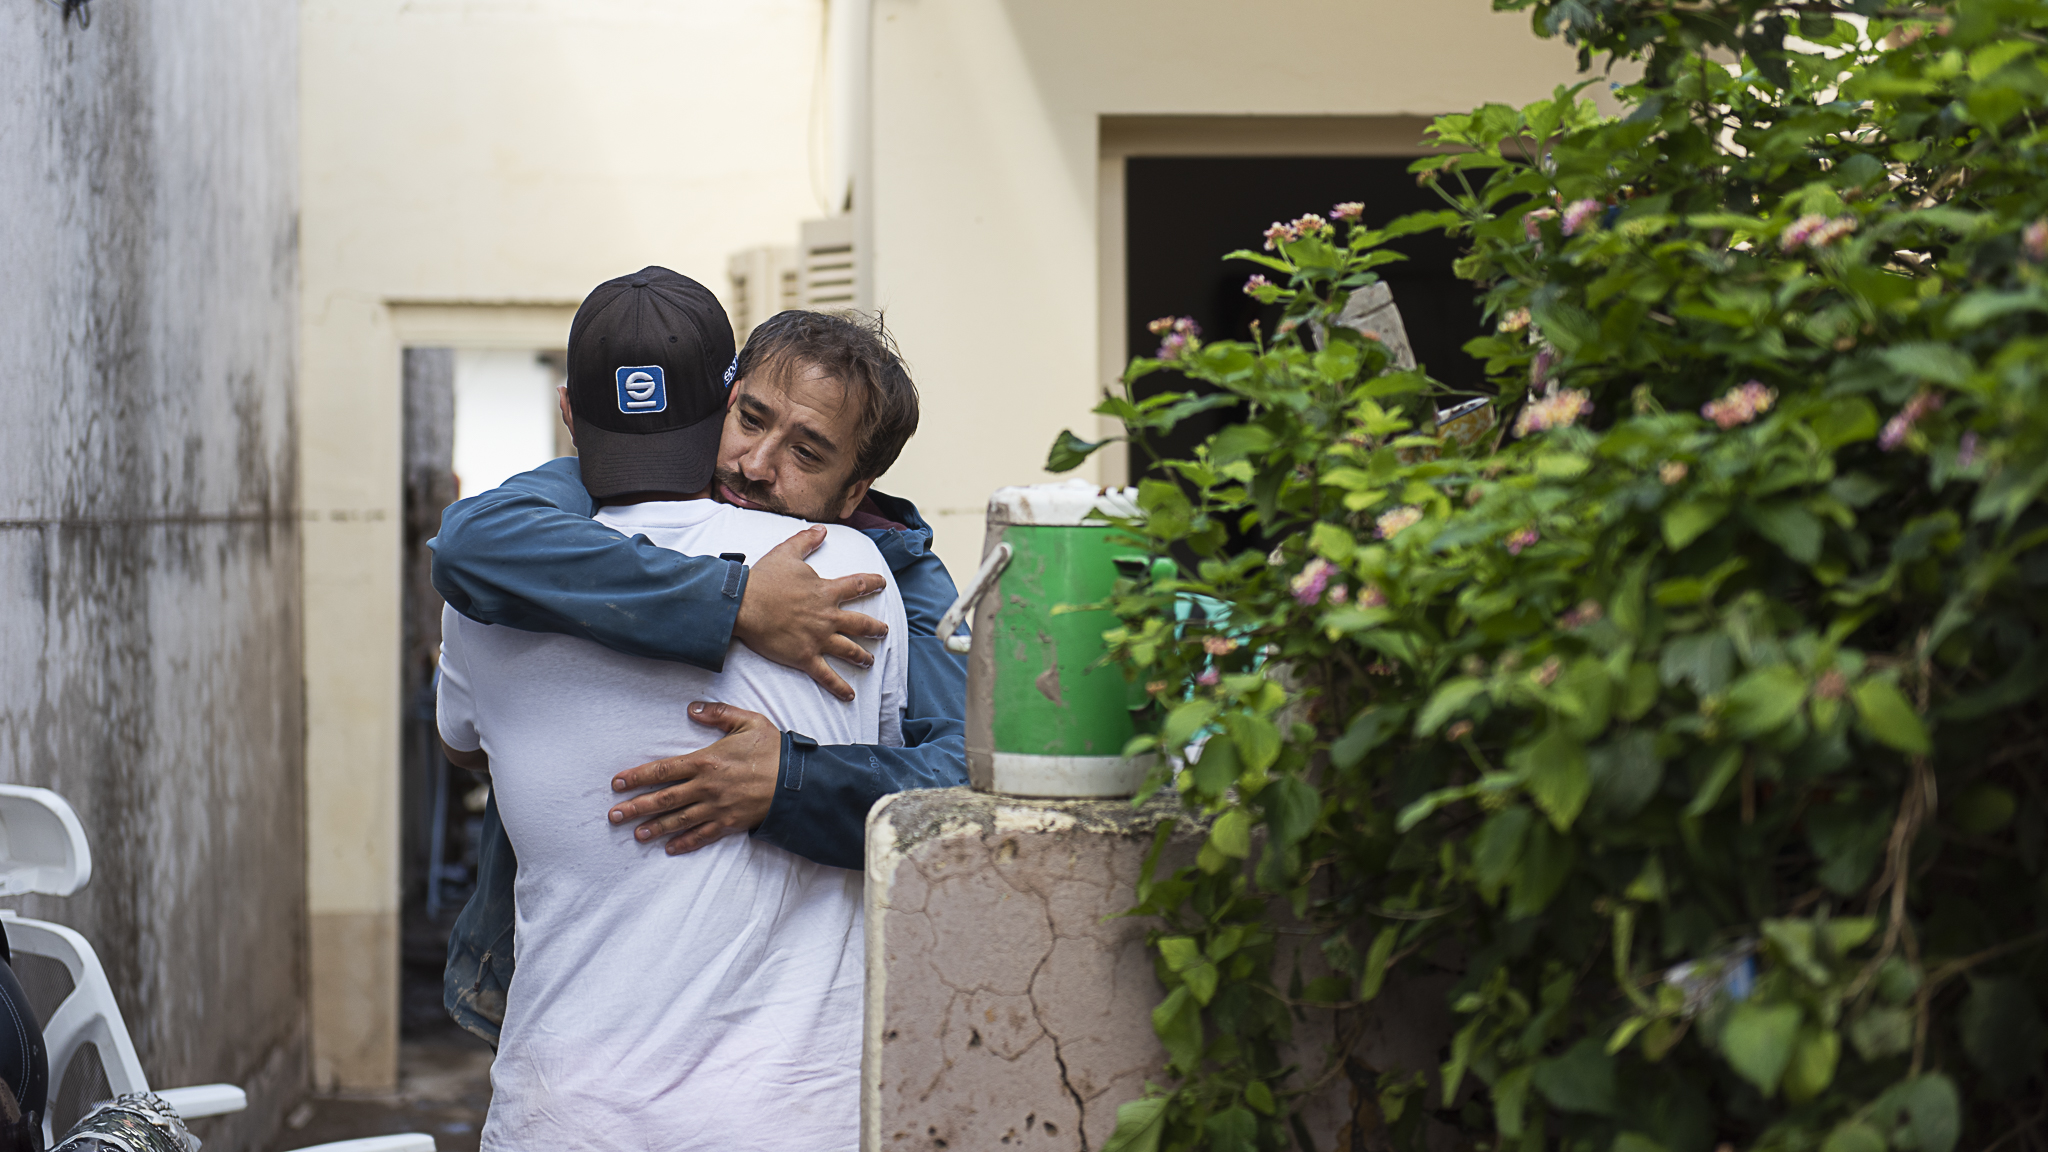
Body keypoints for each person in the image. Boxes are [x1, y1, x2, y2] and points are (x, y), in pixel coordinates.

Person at [437, 268, 908, 1150]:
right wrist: (731, 609)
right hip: (787, 1120)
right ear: (722, 400)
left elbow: (466, 750)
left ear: (569, 414)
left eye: (805, 452)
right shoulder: (851, 574)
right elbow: (916, 785)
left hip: (561, 1119)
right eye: (754, 425)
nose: (758, 468)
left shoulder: (482, 596)